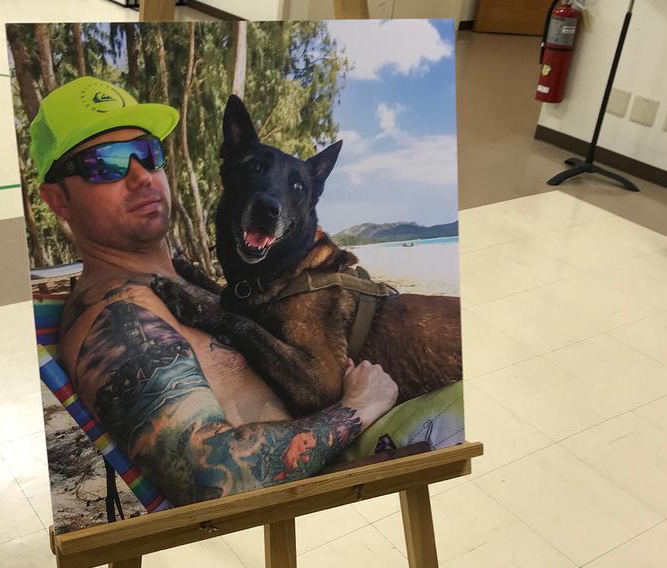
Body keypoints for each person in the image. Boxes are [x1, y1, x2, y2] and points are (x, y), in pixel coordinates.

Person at [31, 77, 397, 506]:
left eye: (149, 153)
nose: (141, 176)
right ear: (57, 200)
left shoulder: (178, 285)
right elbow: (218, 480)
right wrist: (360, 407)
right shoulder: (118, 318)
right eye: (105, 163)